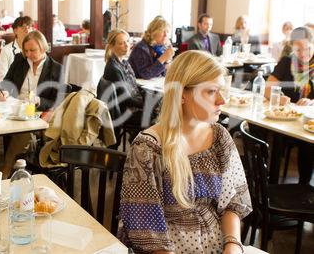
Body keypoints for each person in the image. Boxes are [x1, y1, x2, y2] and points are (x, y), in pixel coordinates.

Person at [119, 50, 252, 254]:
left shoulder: (219, 137)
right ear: (182, 94)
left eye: (221, 90)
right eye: (211, 91)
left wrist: (232, 245)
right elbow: (145, 229)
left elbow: (233, 203)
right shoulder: (148, 148)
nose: (222, 100)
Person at [0, 30, 65, 177]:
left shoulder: (56, 69)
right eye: (25, 50)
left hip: (39, 111)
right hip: (15, 106)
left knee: (24, 130)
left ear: (43, 48)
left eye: (32, 50)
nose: (28, 54)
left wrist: (39, 100)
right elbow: (7, 83)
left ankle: (8, 166)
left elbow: (57, 100)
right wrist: (5, 92)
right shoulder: (19, 60)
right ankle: (20, 163)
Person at [266, 26, 313, 185]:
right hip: (286, 121)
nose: (303, 54)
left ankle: (303, 186)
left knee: (308, 145)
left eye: (307, 48)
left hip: (308, 122)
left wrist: (311, 101)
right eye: (298, 50)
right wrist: (278, 97)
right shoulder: (287, 62)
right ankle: (269, 182)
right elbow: (267, 88)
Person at [103, 29, 146, 127]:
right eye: (121, 43)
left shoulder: (123, 63)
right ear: (112, 47)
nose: (127, 45)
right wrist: (147, 104)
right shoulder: (114, 68)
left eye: (127, 41)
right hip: (125, 111)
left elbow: (132, 86)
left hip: (131, 105)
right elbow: (126, 99)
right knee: (162, 115)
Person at [0, 16, 33, 81]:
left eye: (29, 27)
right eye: (23, 28)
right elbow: (2, 80)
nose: (27, 30)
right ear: (15, 31)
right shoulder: (6, 50)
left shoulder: (35, 49)